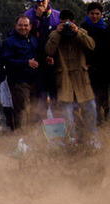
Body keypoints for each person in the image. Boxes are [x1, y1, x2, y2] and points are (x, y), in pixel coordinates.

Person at [45, 9, 100, 146]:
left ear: (74, 22)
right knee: (66, 113)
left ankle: (91, 139)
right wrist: (58, 33)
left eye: (69, 22)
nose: (66, 25)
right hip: (64, 78)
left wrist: (77, 32)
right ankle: (70, 141)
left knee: (90, 108)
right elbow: (49, 51)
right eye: (63, 22)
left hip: (81, 78)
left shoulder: (81, 32)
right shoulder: (54, 34)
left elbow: (91, 46)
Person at [1, 15, 40, 132]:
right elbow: (6, 61)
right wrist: (25, 63)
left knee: (34, 111)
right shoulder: (9, 42)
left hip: (33, 80)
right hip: (18, 81)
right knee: (22, 111)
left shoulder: (33, 39)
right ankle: (22, 140)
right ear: (16, 26)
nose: (23, 28)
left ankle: (33, 140)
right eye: (20, 25)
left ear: (30, 26)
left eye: (26, 25)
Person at [25, 0, 60, 116]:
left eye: (43, 0)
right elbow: (26, 37)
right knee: (40, 98)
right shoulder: (28, 15)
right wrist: (37, 19)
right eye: (38, 1)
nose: (41, 3)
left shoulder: (57, 15)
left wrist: (54, 57)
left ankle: (60, 129)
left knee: (56, 98)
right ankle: (40, 130)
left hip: (54, 63)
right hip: (37, 63)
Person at [81, 2, 108, 124]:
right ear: (88, 14)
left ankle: (104, 123)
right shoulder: (83, 28)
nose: (95, 16)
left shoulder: (105, 29)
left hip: (103, 69)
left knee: (104, 98)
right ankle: (92, 124)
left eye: (97, 14)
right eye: (92, 13)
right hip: (88, 69)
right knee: (91, 99)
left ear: (101, 15)